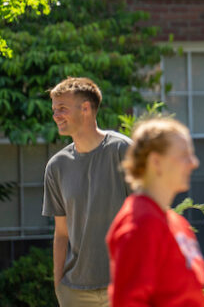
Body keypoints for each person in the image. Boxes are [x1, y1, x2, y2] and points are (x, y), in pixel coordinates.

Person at [43, 77, 132, 307]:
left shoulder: (123, 151)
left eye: (62, 108)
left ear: (85, 108)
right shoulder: (56, 166)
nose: (55, 116)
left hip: (123, 286)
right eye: (54, 110)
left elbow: (148, 221)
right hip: (74, 292)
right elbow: (61, 233)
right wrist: (59, 285)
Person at [106, 118, 204, 307]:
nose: (194, 163)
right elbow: (128, 301)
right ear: (156, 162)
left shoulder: (177, 223)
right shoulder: (140, 224)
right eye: (184, 155)